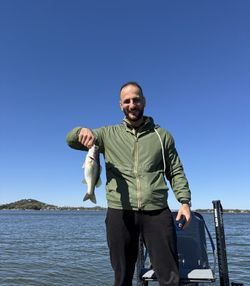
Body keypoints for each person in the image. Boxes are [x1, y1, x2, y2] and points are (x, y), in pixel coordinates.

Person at [66, 82, 191, 286]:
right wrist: (81, 130)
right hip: (120, 212)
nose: (132, 104)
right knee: (122, 276)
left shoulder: (162, 136)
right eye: (127, 101)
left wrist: (185, 202)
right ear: (120, 105)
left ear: (144, 101)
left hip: (157, 212)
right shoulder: (106, 134)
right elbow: (70, 140)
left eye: (136, 99)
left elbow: (175, 171)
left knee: (169, 277)